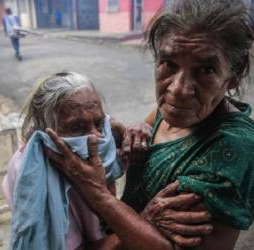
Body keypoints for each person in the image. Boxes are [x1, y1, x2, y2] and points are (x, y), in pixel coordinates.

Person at [45, 0, 254, 249]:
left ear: (236, 72)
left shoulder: (233, 149)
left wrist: (96, 193)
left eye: (205, 69)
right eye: (169, 64)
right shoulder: (176, 111)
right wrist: (133, 130)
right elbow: (146, 131)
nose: (178, 90)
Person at [3, 72, 210, 250]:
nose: (97, 138)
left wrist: (137, 131)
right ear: (46, 134)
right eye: (77, 127)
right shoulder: (41, 180)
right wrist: (143, 221)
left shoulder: (94, 142)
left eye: (99, 122)